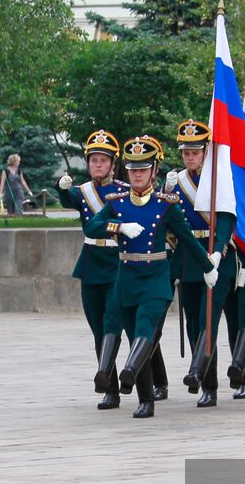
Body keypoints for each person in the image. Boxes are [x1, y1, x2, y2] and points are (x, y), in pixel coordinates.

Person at [83, 135, 215, 418]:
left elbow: (188, 240)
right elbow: (92, 228)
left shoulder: (165, 204)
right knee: (132, 334)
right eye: (132, 169)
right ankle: (144, 398)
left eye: (143, 169)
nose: (137, 174)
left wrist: (209, 268)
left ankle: (128, 371)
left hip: (155, 277)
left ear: (154, 171)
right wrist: (118, 227)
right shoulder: (117, 203)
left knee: (145, 327)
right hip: (127, 276)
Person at [163, 119, 237, 407]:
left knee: (209, 321)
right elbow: (166, 222)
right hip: (188, 257)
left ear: (206, 151)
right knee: (194, 322)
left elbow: (228, 218)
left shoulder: (218, 179)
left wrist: (218, 251)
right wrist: (165, 191)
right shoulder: (178, 181)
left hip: (215, 256)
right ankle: (206, 377)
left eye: (195, 152)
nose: (190, 157)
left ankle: (204, 380)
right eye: (186, 152)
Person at [57, 130, 128, 409]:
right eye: (93, 160)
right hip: (91, 264)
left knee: (112, 323)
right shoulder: (84, 191)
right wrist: (62, 188)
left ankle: (112, 384)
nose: (97, 165)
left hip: (117, 262)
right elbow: (68, 200)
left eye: (103, 160)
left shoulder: (123, 190)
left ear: (113, 163)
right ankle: (110, 385)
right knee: (98, 328)